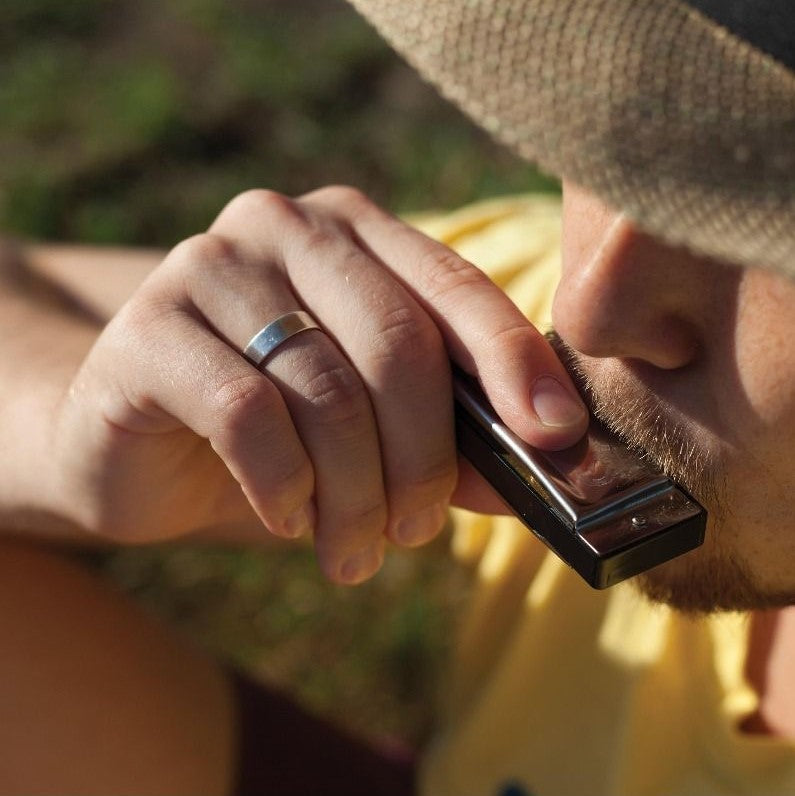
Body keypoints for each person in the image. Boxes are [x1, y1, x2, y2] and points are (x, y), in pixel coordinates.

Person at [0, 0, 793, 793]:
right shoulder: (519, 314)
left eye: (762, 230)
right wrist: (66, 434)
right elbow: (23, 276)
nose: (586, 306)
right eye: (618, 147)